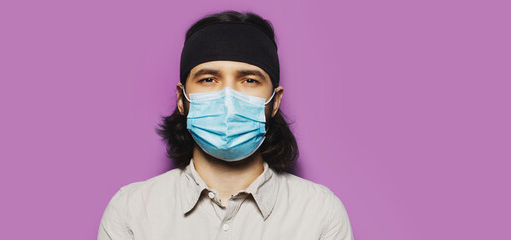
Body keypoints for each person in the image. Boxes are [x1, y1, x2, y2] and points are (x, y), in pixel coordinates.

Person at [97, 10, 353, 240]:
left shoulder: (320, 213)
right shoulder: (130, 211)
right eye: (208, 79)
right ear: (181, 99)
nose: (228, 98)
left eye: (249, 80)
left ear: (274, 102)